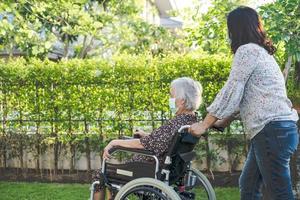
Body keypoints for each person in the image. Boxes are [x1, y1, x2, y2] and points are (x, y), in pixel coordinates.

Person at [189, 6, 299, 200]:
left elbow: (232, 89)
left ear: (236, 28)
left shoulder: (247, 51)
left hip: (270, 131)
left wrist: (204, 124)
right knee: (248, 186)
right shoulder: (262, 53)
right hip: (277, 130)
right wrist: (223, 121)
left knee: (279, 193)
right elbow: (250, 98)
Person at [92, 77, 203, 200]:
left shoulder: (178, 122)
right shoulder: (190, 121)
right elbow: (164, 140)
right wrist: (147, 135)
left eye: (172, 96)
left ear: (181, 101)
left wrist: (114, 142)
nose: (170, 99)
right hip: (169, 169)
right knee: (114, 179)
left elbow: (144, 145)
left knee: (100, 174)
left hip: (149, 169)